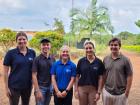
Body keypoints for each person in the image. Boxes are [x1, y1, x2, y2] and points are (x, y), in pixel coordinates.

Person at [3, 32, 36, 105]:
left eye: (24, 39)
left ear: (27, 40)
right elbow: (5, 72)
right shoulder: (10, 53)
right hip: (14, 86)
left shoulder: (32, 53)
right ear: (16, 41)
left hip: (27, 86)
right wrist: (6, 88)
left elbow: (34, 70)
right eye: (19, 39)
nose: (22, 41)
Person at [102, 37, 133, 105]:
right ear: (109, 46)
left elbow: (129, 76)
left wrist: (127, 92)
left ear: (119, 46)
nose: (113, 47)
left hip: (121, 94)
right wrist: (102, 89)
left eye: (115, 45)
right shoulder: (106, 59)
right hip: (107, 92)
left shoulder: (126, 60)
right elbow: (104, 75)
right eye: (111, 45)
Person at [74, 40, 105, 105]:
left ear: (94, 49)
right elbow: (77, 76)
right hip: (82, 88)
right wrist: (76, 90)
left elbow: (100, 78)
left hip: (93, 89)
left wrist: (99, 92)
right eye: (86, 48)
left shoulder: (99, 62)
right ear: (84, 50)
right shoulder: (81, 61)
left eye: (90, 48)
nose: (88, 50)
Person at [32, 38, 55, 105]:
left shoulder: (53, 58)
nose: (46, 46)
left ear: (50, 46)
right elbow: (34, 75)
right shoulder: (37, 59)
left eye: (47, 45)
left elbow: (54, 73)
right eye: (43, 45)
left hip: (50, 87)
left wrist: (53, 86)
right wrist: (37, 90)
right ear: (40, 46)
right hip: (41, 88)